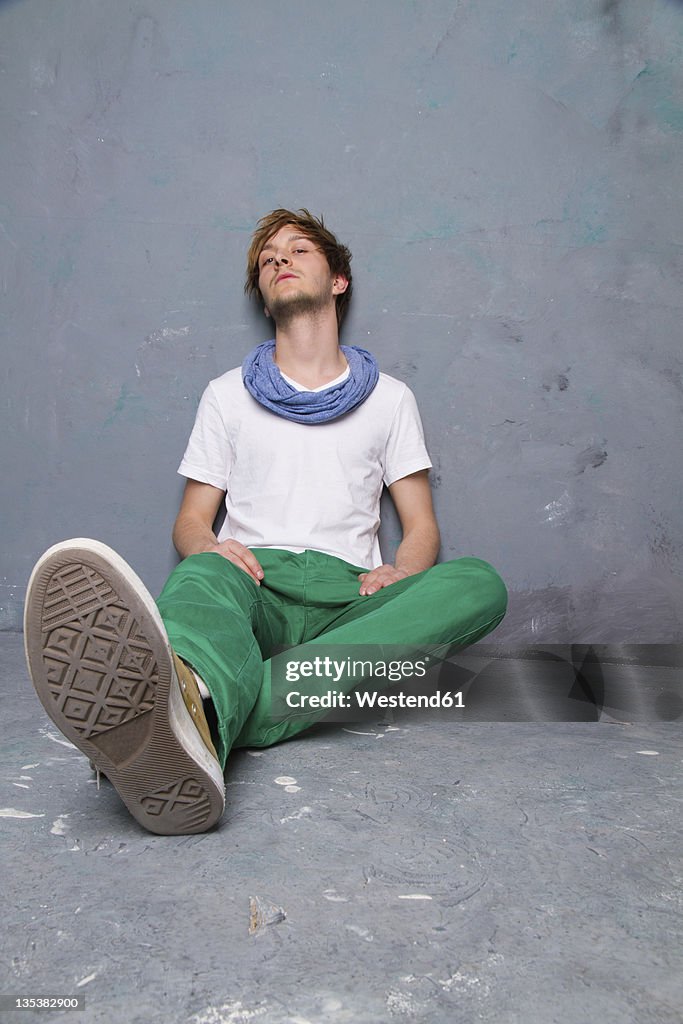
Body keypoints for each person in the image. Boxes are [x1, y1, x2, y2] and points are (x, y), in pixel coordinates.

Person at [24, 208, 507, 836]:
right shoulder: (226, 395)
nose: (280, 259)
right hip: (253, 585)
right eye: (268, 257)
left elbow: (421, 526)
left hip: (352, 600)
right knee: (201, 573)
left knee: (478, 585)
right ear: (262, 288)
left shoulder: (391, 399)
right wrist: (212, 548)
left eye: (298, 249)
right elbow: (193, 520)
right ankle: (200, 690)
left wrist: (400, 572)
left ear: (337, 280)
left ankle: (198, 716)